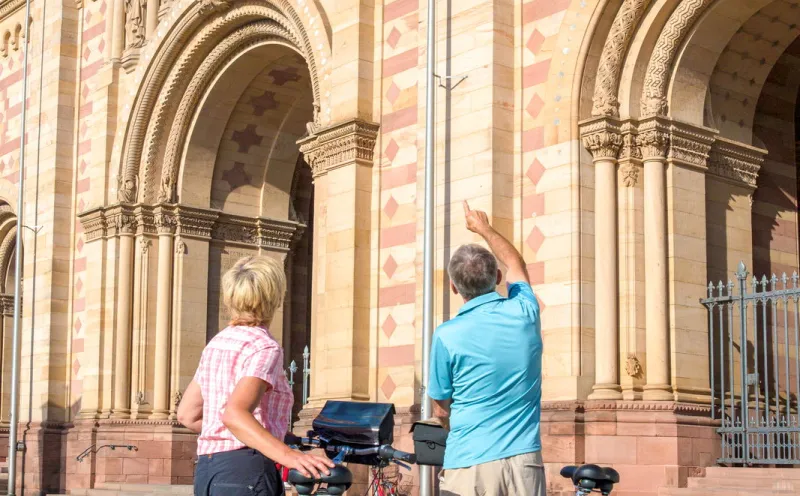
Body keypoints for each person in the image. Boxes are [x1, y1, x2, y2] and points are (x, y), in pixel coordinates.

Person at [177, 256, 334, 496]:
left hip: (209, 471)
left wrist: (272, 437)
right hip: (247, 473)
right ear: (275, 297)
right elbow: (235, 414)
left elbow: (187, 414)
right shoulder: (264, 347)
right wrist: (287, 454)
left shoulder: (218, 343)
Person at [429, 201, 544, 496]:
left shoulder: (446, 336)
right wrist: (484, 228)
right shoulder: (524, 313)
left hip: (469, 467)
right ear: (497, 278)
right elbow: (517, 263)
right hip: (524, 464)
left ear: (454, 288)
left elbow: (441, 409)